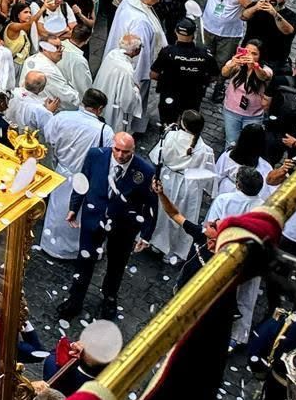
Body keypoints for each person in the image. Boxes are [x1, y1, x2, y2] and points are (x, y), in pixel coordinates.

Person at [60, 132, 157, 318]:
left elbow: (151, 203)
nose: (120, 155)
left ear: (133, 150)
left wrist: (146, 233)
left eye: (126, 152)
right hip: (94, 217)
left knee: (117, 264)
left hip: (124, 225)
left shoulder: (145, 171)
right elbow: (83, 181)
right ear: (112, 146)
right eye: (117, 150)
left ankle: (109, 298)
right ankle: (75, 299)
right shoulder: (96, 155)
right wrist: (74, 206)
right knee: (84, 261)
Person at [40, 89, 113, 261]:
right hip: (85, 178)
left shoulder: (62, 117)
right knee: (78, 214)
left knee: (57, 209)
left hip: (63, 170)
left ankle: (52, 245)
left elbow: (49, 137)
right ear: (100, 109)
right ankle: (75, 248)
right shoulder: (105, 131)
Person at [150, 110, 216, 264]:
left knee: (162, 213)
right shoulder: (205, 150)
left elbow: (156, 157)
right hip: (188, 187)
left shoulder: (170, 136)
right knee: (180, 217)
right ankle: (173, 250)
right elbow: (208, 176)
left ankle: (156, 242)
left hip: (166, 180)